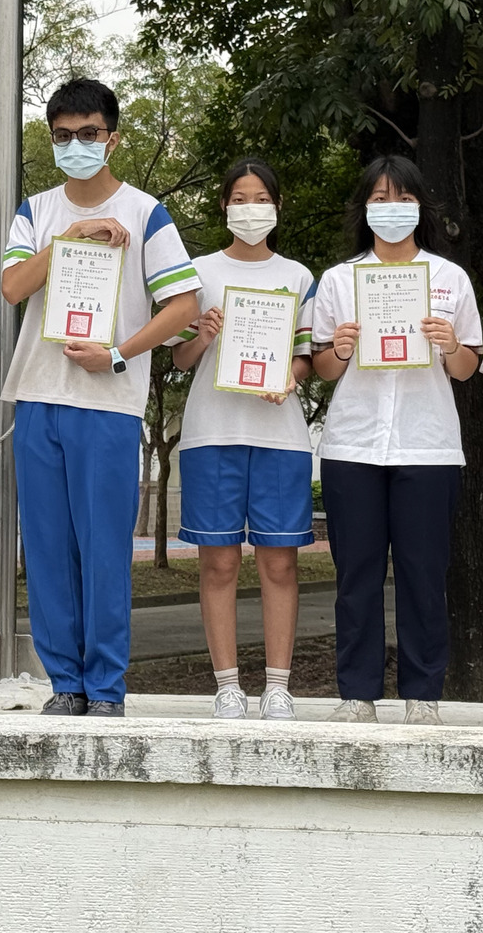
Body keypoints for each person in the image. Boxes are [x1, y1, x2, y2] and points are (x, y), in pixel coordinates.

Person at [0, 77, 201, 718]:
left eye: (89, 134)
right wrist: (71, 238)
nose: (77, 145)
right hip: (36, 393)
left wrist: (119, 353)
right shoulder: (35, 210)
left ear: (112, 136)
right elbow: (9, 288)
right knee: (50, 549)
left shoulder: (146, 213)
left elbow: (184, 306)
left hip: (109, 401)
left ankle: (107, 687)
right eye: (64, 136)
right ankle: (65, 684)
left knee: (104, 548)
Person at [311, 155, 481, 726]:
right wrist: (337, 347)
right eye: (380, 198)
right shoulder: (338, 280)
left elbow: (465, 369)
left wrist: (450, 343)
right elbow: (325, 370)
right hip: (353, 446)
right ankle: (357, 694)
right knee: (355, 574)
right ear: (364, 208)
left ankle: (422, 695)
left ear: (420, 207)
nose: (391, 209)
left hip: (427, 445)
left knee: (423, 574)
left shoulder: (449, 279)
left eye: (403, 198)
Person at [169, 159, 315, 721]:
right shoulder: (198, 272)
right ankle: (227, 685)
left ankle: (278, 686)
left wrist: (287, 379)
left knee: (280, 564)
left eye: (260, 199)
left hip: (280, 436)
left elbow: (304, 359)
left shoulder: (299, 276)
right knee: (219, 564)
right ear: (224, 206)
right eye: (239, 198)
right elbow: (180, 360)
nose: (250, 209)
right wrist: (203, 334)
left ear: (277, 207)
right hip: (212, 433)